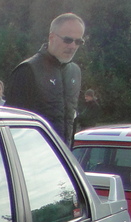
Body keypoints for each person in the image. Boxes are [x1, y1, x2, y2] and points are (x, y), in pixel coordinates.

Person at [6, 13, 85, 144]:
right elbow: (12, 124)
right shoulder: (28, 70)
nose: (73, 46)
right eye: (68, 40)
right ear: (51, 37)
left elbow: (71, 119)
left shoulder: (74, 72)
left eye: (78, 42)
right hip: (32, 152)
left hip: (62, 153)